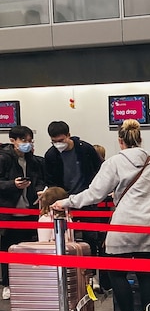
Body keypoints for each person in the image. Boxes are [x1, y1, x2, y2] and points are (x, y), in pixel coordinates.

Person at [52, 119, 150, 311]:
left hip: (125, 223)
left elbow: (94, 193)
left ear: (120, 141)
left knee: (116, 271)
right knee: (147, 274)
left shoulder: (114, 162)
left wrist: (67, 202)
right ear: (140, 139)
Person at [43, 120, 105, 286]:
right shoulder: (50, 155)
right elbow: (51, 180)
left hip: (88, 200)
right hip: (63, 201)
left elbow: (99, 170)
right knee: (65, 239)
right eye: (54, 141)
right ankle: (68, 274)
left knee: (91, 238)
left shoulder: (85, 149)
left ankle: (91, 275)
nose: (58, 144)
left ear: (69, 135)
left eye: (61, 140)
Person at [0, 126, 45, 300]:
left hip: (30, 210)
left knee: (30, 249)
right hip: (9, 212)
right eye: (24, 140)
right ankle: (8, 284)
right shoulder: (4, 158)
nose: (27, 144)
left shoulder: (33, 160)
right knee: (7, 250)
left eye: (30, 141)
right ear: (13, 141)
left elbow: (39, 180)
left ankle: (28, 281)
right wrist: (13, 184)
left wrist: (40, 190)